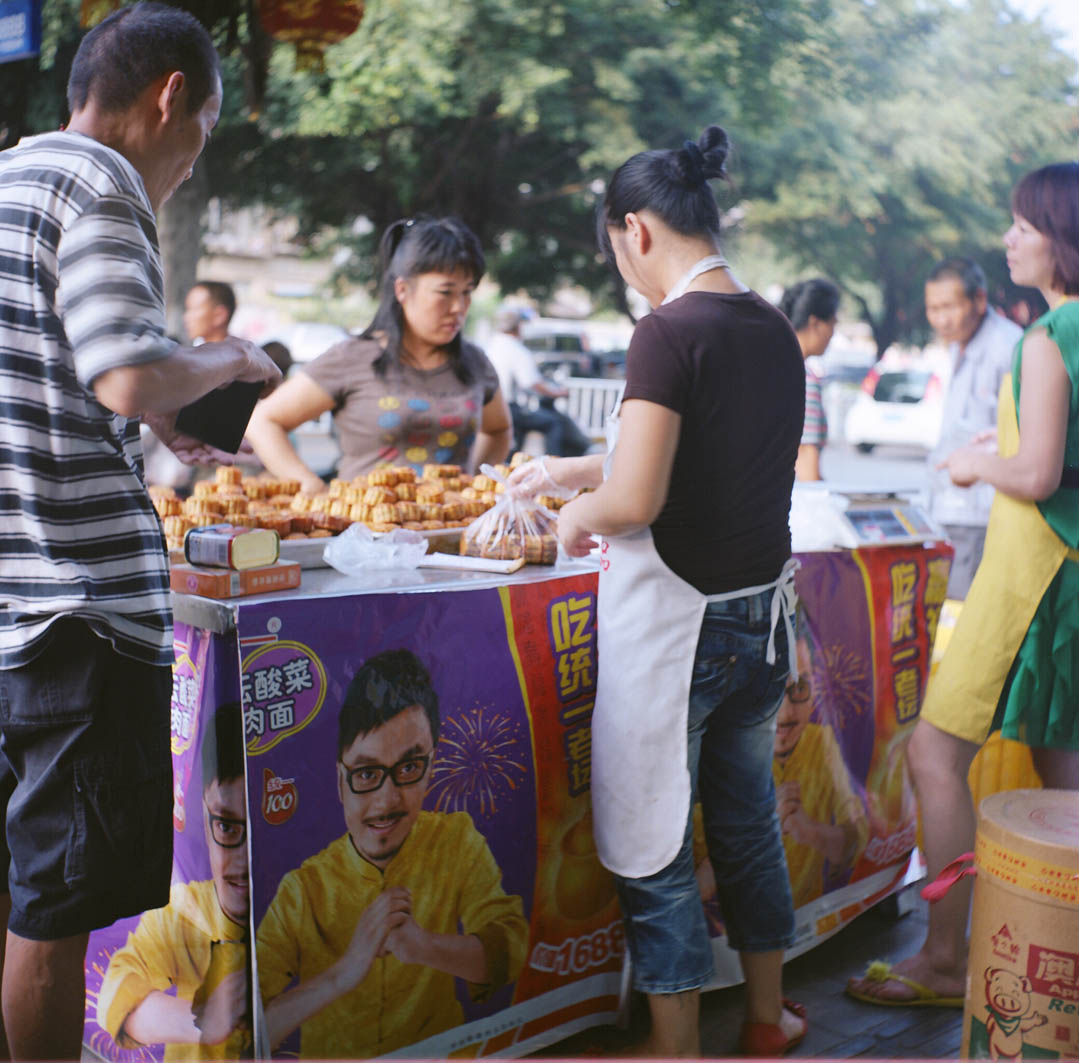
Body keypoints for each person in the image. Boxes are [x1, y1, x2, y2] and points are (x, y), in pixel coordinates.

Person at [0, 6, 279, 1059]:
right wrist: (224, 362)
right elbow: (119, 365)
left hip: (10, 603)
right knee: (53, 918)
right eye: (205, 125)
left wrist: (149, 407)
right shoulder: (99, 181)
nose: (193, 158)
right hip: (77, 615)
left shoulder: (12, 178)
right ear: (170, 99)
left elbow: (60, 377)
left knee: (19, 894)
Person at [510, 125, 806, 1057]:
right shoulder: (770, 327)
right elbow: (688, 452)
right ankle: (765, 1019)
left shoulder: (665, 333)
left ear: (635, 229)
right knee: (748, 824)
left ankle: (672, 1044)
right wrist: (570, 467)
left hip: (676, 630)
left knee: (652, 837)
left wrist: (568, 519)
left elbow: (636, 496)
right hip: (757, 621)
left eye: (615, 252)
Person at [847, 163, 1079, 1009]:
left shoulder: (1048, 335)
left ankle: (946, 962)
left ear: (1063, 238)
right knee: (1067, 773)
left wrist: (980, 460)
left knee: (933, 753)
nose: (1009, 238)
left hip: (1028, 578)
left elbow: (1036, 469)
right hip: (1068, 581)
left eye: (1025, 225)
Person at [256, 649, 528, 1058]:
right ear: (339, 781)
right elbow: (251, 1027)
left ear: (432, 765)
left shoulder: (456, 841)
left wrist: (423, 946)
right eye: (366, 774)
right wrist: (346, 971)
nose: (386, 801)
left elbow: (512, 950)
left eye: (408, 768)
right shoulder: (303, 890)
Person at [245, 217, 512, 490]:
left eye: (467, 292)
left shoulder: (476, 363)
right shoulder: (353, 358)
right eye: (445, 292)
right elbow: (262, 421)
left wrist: (473, 485)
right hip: (365, 531)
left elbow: (499, 430)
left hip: (455, 530)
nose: (459, 307)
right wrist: (310, 486)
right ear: (402, 289)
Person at [96, 703, 251, 1060]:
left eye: (261, 829)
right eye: (226, 827)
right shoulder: (186, 910)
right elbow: (115, 994)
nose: (243, 860)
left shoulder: (309, 898)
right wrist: (200, 1021)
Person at [924, 257, 1021, 599]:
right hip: (948, 509)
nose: (940, 319)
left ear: (979, 300)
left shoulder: (1008, 347)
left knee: (962, 617)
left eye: (948, 306)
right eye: (932, 308)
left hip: (982, 513)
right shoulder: (957, 345)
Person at [773, 616, 868, 909]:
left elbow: (858, 839)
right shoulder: (719, 748)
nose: (786, 714)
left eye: (800, 689)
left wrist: (811, 831)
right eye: (771, 692)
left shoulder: (822, 742)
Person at [486, 306, 591, 456]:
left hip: (492, 407)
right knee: (554, 423)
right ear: (519, 326)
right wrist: (557, 392)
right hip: (510, 409)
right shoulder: (516, 349)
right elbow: (531, 383)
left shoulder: (492, 345)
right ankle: (553, 464)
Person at [778, 279, 840, 482]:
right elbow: (805, 460)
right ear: (815, 323)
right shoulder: (803, 379)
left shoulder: (774, 366)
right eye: (833, 323)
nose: (833, 333)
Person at [183, 280, 237, 345]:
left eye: (194, 310)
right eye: (188, 309)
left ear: (219, 315)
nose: (186, 317)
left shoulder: (239, 353)